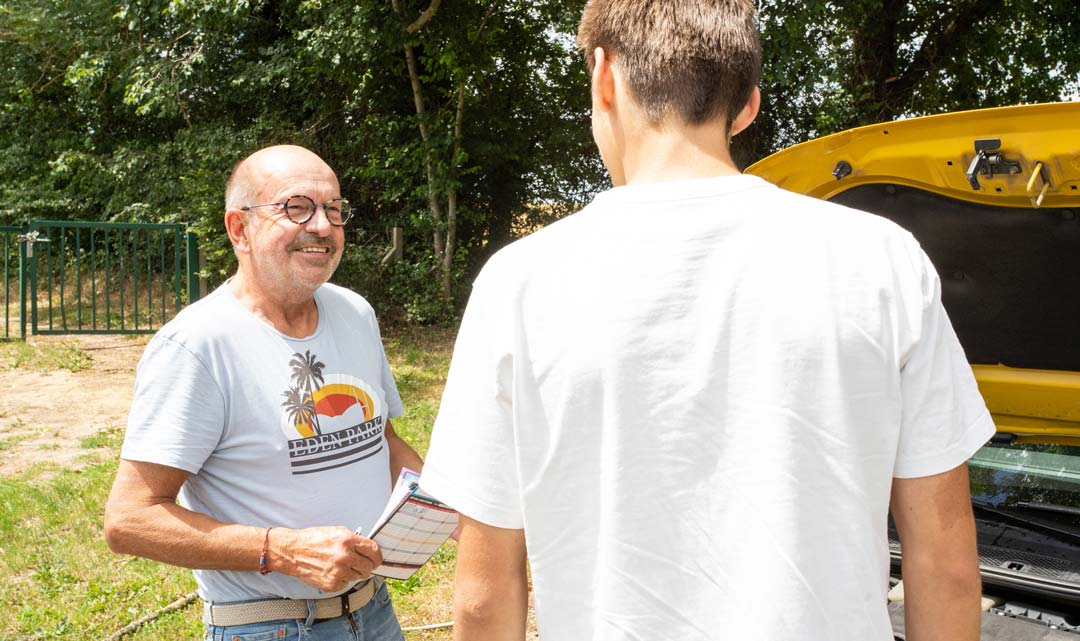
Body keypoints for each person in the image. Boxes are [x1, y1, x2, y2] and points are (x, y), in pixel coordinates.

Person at [419, 2, 992, 640]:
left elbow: (482, 592)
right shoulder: (883, 260)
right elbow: (943, 562)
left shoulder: (518, 281)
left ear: (603, 77)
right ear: (748, 104)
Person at [104, 145, 421, 641]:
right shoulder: (197, 346)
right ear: (239, 229)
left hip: (374, 611)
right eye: (296, 207)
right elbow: (129, 520)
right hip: (273, 628)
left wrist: (449, 501)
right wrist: (283, 550)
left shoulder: (355, 314)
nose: (322, 225)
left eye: (334, 210)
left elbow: (381, 440)